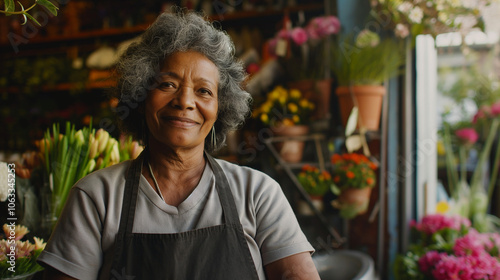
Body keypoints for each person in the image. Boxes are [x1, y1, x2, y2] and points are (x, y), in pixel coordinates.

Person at [38, 10, 320, 280]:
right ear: (140, 96)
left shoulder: (257, 194)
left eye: (203, 91)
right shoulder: (96, 198)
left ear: (220, 108)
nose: (185, 101)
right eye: (167, 84)